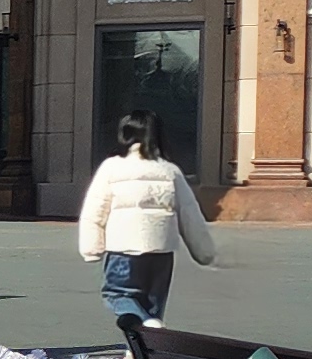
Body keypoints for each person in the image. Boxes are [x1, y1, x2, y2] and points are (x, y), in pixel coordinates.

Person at [75, 112, 215, 338]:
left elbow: (95, 209)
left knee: (118, 295)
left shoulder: (112, 167)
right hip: (162, 250)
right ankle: (144, 347)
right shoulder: (169, 170)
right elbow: (190, 214)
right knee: (152, 305)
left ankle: (146, 327)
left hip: (123, 248)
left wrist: (91, 248)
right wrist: (204, 251)